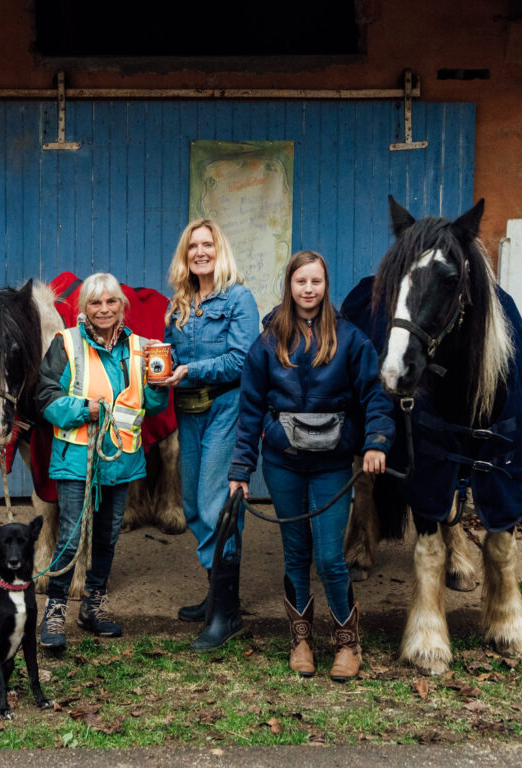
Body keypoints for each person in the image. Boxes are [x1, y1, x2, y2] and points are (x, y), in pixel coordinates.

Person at [228, 251, 394, 680]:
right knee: (295, 554)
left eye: (316, 281)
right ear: (290, 285)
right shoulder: (267, 343)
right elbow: (248, 410)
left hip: (332, 466)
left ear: (325, 285)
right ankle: (300, 639)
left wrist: (376, 441)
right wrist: (240, 471)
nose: (308, 289)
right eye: (301, 281)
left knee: (329, 558)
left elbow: (375, 396)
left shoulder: (351, 339)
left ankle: (347, 643)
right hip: (283, 464)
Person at [36, 272, 168, 651]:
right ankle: (56, 611)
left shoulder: (142, 348)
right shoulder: (66, 343)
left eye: (111, 302)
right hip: (77, 457)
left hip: (121, 459)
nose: (104, 309)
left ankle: (93, 606)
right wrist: (82, 410)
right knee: (70, 536)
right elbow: (45, 396)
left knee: (107, 538)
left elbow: (151, 405)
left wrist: (158, 388)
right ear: (83, 308)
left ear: (122, 306)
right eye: (95, 302)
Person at [160, 219, 260, 650]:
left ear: (220, 250)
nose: (200, 252)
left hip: (225, 407)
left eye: (208, 244)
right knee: (193, 507)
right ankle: (216, 595)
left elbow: (243, 360)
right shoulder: (178, 304)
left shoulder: (238, 298)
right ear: (185, 255)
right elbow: (167, 355)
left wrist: (191, 371)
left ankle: (228, 614)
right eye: (193, 246)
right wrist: (156, 370)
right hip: (189, 409)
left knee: (216, 503)